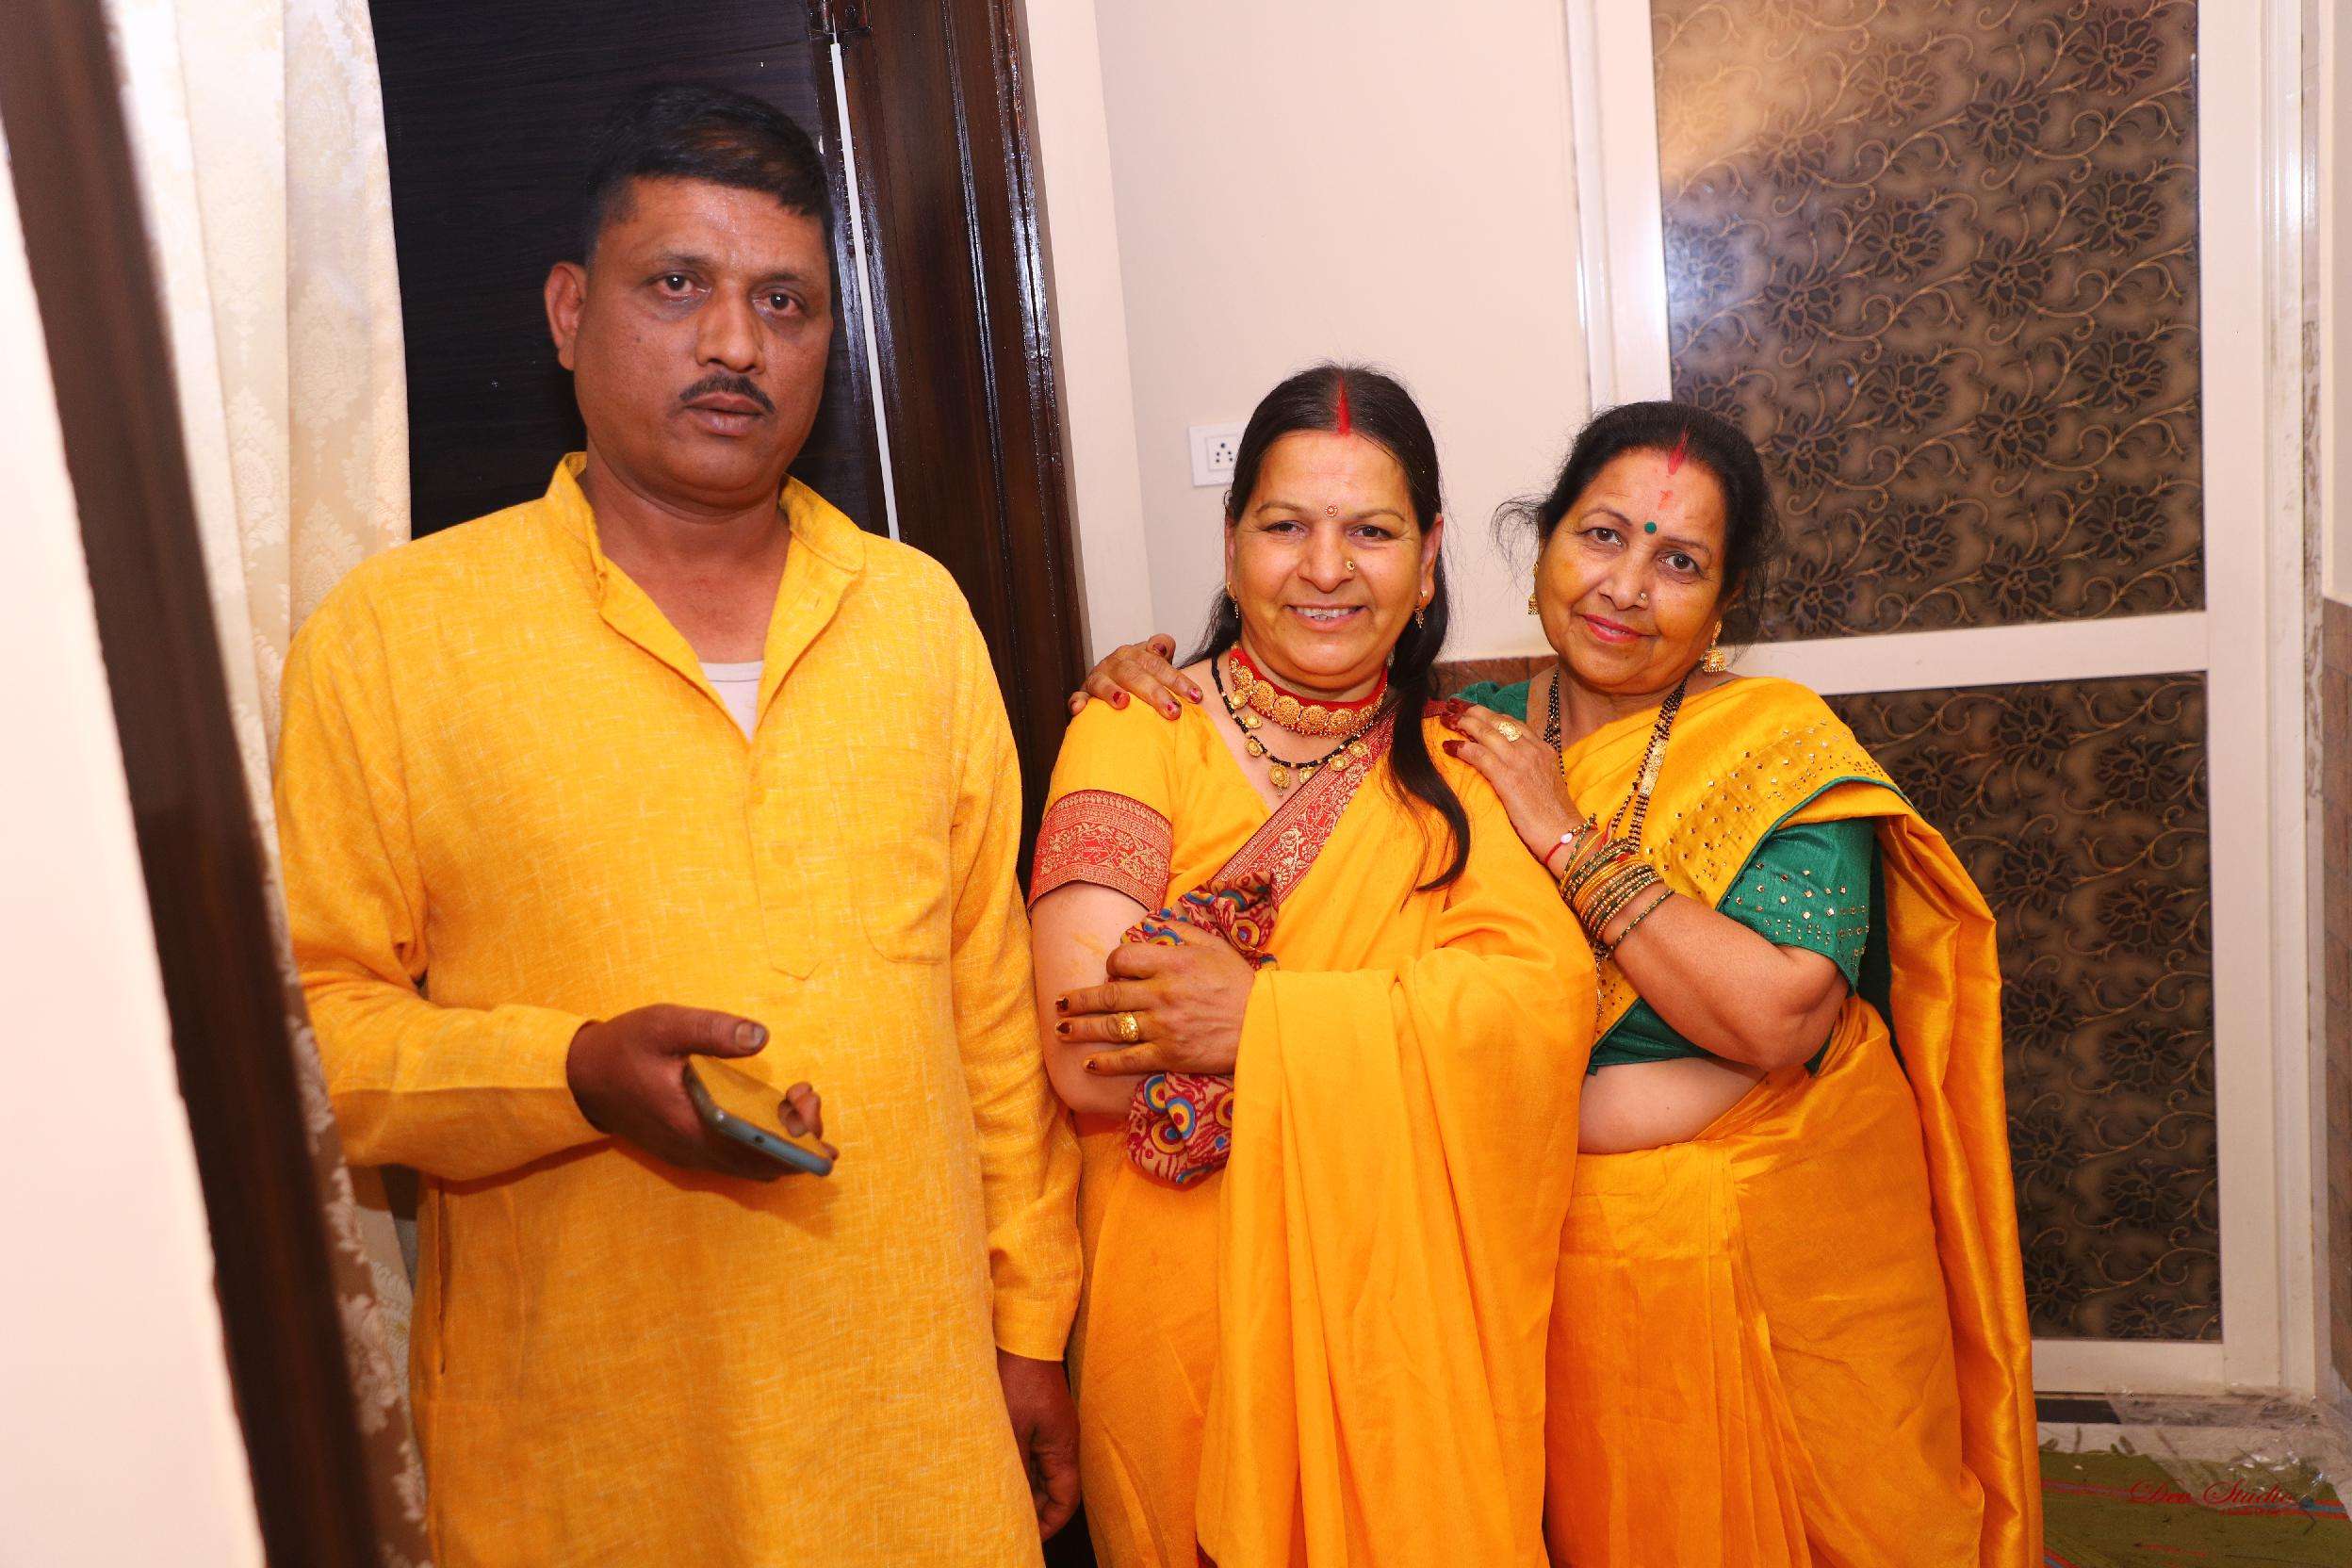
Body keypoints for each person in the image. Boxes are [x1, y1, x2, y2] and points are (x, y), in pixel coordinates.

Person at [275, 86, 1079, 1566]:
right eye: (676, 286)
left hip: (911, 1431)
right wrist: (571, 1074)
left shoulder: (916, 619)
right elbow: (327, 1035)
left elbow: (991, 1014)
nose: (734, 345)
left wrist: (1031, 1327)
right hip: (595, 1454)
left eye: (784, 302)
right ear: (569, 312)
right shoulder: (395, 638)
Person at [1074, 401, 2042, 1565]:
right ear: (1539, 546)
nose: (1626, 588)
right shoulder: (1455, 731)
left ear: (1726, 602)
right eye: (1601, 536)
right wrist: (1148, 674)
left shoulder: (1776, 739)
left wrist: (1568, 839)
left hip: (1776, 1243)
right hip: (1524, 1239)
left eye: (1679, 562)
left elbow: (1782, 1014)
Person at [1033, 364, 1594, 1567]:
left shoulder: (1465, 772)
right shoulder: (1133, 732)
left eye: (1372, 532)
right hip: (1190, 1333)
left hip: (1402, 1342)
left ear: (1428, 560)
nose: (1326, 568)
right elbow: (1088, 1056)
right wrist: (1345, 1031)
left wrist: (1259, 1018)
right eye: (1286, 525)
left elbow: (1540, 1017)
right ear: (1232, 546)